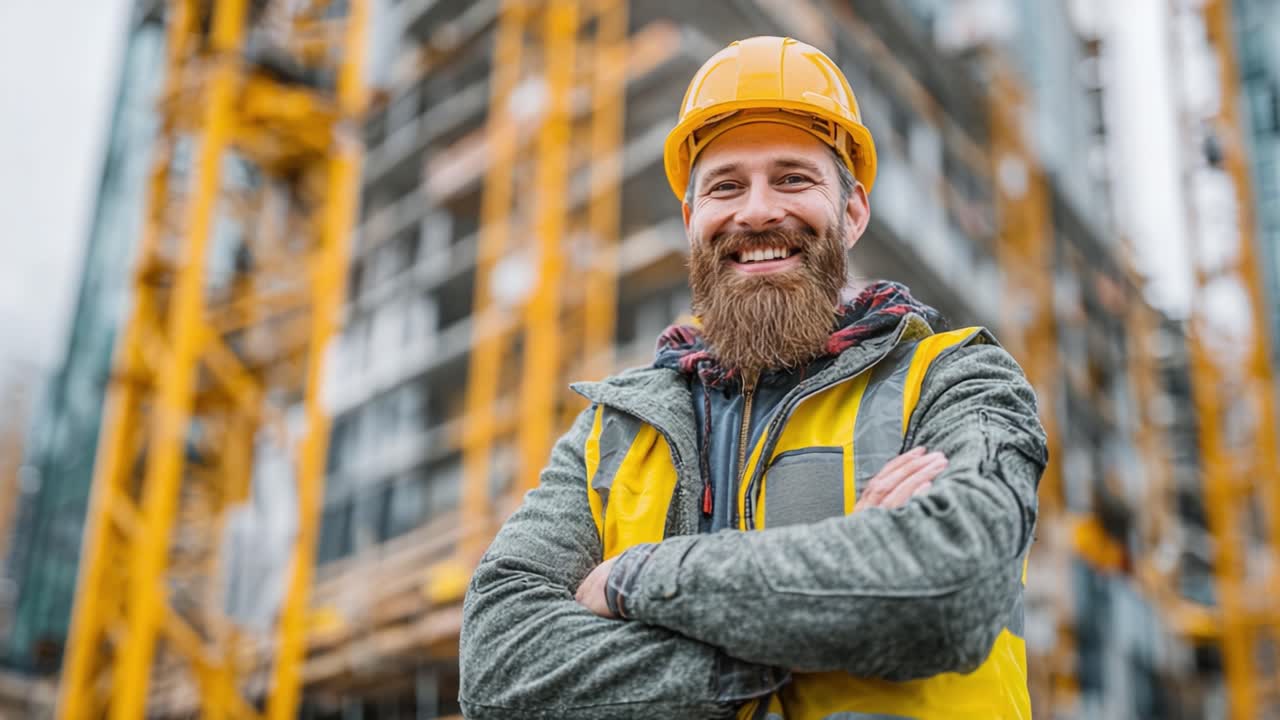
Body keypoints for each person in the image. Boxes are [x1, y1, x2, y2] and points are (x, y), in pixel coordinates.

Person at [459, 36, 1046, 720]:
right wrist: (828, 607)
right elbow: (498, 667)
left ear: (852, 213)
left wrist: (630, 580)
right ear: (691, 221)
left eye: (793, 178)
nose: (758, 211)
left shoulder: (955, 379)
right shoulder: (611, 431)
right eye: (726, 186)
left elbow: (949, 592)